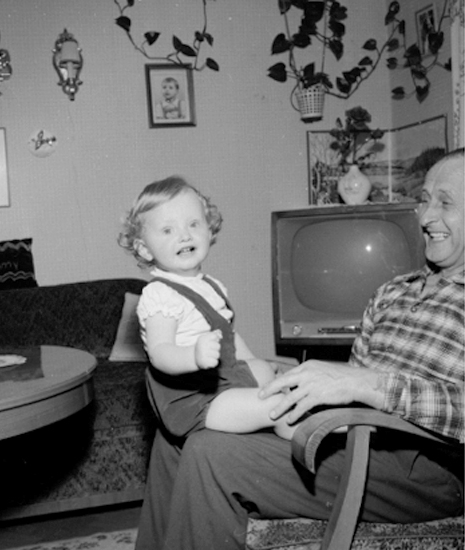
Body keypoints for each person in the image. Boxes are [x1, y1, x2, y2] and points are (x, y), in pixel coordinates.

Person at [134, 148, 465, 550]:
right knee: (178, 434)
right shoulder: (392, 291)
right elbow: (350, 381)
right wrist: (294, 385)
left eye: (445, 203)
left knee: (210, 451)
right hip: (355, 438)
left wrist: (371, 386)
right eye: (425, 201)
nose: (426, 217)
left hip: (425, 467)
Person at [118, 176, 298, 441]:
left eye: (193, 224)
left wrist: (252, 362)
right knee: (277, 407)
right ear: (144, 249)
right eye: (168, 230)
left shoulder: (211, 285)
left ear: (209, 229)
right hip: (192, 398)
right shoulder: (159, 294)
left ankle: (314, 414)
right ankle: (311, 436)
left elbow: (228, 335)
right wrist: (193, 356)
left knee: (267, 371)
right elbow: (160, 353)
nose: (184, 235)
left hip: (221, 379)